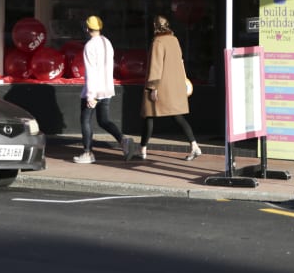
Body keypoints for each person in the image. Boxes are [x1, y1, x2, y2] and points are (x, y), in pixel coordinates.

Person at [138, 14, 202, 161]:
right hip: (174, 85)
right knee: (177, 115)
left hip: (160, 86)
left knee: (149, 115)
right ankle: (194, 145)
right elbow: (180, 61)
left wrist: (153, 87)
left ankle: (142, 150)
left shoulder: (157, 42)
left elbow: (156, 65)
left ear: (155, 26)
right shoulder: (174, 40)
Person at [73, 15, 135, 164]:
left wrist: (90, 95)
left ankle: (88, 153)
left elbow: (91, 71)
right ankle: (123, 140)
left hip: (94, 89)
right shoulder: (107, 42)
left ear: (87, 29)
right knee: (104, 120)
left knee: (85, 120)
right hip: (107, 88)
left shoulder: (90, 45)